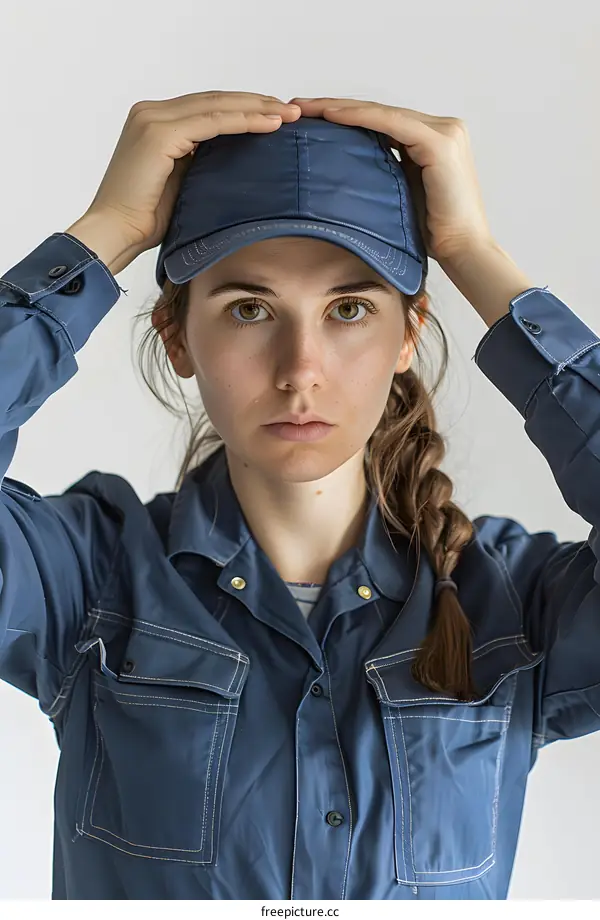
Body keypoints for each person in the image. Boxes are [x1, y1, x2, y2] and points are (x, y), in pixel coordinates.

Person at [0, 89, 598, 901]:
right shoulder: (86, 582)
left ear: (408, 335)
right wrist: (108, 232)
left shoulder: (516, 606)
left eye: (349, 309)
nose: (301, 369)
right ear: (178, 337)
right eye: (250, 308)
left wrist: (471, 251)